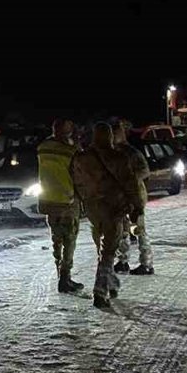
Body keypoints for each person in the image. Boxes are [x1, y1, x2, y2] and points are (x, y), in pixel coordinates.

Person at [72, 122, 141, 310]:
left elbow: (76, 183)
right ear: (109, 136)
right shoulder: (118, 157)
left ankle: (111, 284)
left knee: (103, 248)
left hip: (93, 209)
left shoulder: (81, 158)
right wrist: (137, 207)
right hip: (114, 208)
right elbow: (130, 184)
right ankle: (100, 291)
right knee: (109, 250)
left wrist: (84, 201)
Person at [36, 118, 84, 294]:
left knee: (56, 239)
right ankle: (65, 277)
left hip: (48, 200)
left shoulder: (42, 148)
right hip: (67, 201)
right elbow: (79, 176)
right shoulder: (71, 151)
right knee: (69, 239)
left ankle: (59, 274)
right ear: (68, 131)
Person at [111, 118, 154, 275]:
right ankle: (123, 261)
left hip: (135, 195)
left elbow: (145, 171)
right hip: (120, 197)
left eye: (116, 133)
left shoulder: (131, 152)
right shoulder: (113, 153)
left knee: (139, 229)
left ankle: (147, 263)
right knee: (122, 230)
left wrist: (129, 179)